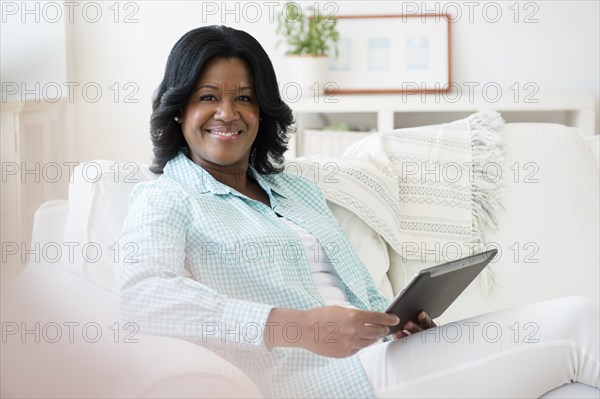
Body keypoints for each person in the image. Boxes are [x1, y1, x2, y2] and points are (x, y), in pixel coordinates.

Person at [114, 25, 599, 398]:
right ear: (179, 110)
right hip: (321, 383)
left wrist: (397, 323)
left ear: (261, 112)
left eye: (244, 98)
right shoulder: (167, 198)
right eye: (207, 98)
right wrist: (300, 327)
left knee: (570, 390)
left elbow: (356, 297)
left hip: (383, 360)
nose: (228, 113)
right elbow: (141, 297)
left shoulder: (295, 193)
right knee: (579, 320)